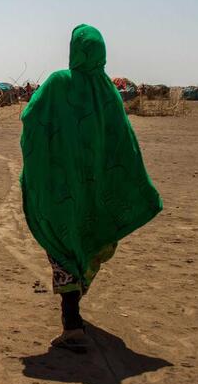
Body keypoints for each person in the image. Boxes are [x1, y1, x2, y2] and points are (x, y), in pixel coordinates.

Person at [19, 25, 162, 353]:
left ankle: (72, 325)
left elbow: (31, 118)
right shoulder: (108, 91)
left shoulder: (58, 83)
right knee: (84, 242)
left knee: (62, 246)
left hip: (62, 189)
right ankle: (74, 310)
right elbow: (123, 143)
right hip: (96, 191)